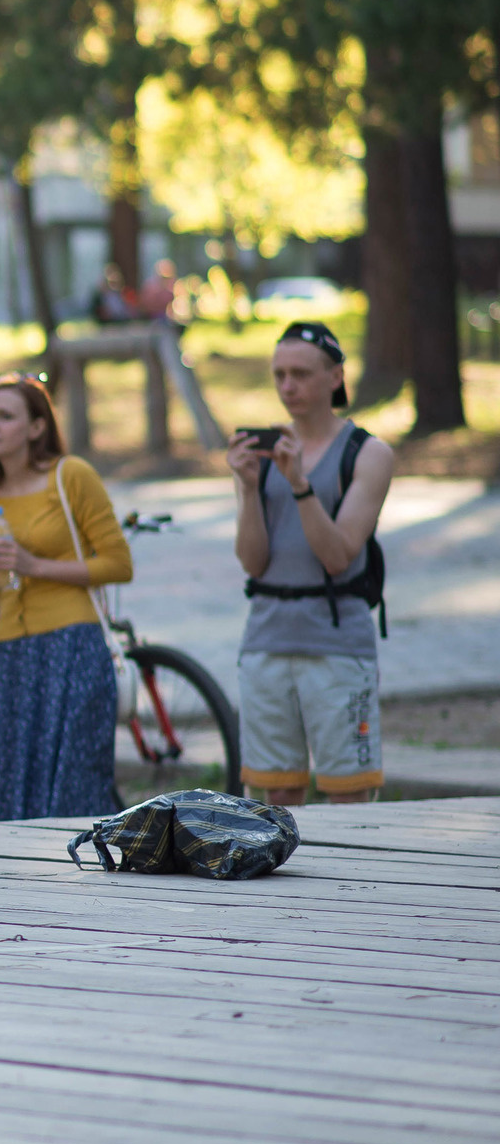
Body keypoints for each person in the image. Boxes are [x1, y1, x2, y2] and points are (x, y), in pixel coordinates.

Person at [228, 321, 396, 806]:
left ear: (335, 376)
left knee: (350, 793)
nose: (287, 386)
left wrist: (300, 484)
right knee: (275, 794)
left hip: (337, 645)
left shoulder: (368, 454)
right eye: (279, 374)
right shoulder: (264, 455)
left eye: (300, 373)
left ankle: (356, 885)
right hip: (266, 639)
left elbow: (339, 554)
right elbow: (253, 563)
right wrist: (246, 487)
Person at [0, 375, 134, 822]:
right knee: (4, 784)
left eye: (6, 416)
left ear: (37, 427)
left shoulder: (70, 475)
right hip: (10, 652)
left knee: (71, 785)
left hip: (72, 644)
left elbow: (119, 564)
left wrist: (35, 565)